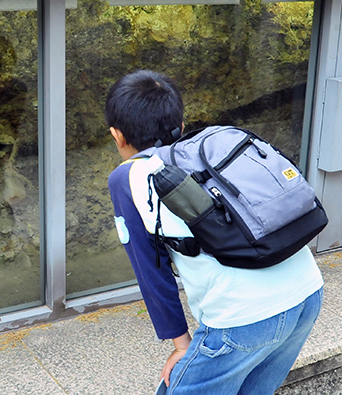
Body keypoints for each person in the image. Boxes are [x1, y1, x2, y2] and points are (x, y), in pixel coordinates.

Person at [105, 69, 324, 394]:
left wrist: (181, 345)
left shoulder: (127, 178)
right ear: (180, 125)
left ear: (117, 136)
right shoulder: (212, 145)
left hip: (243, 318)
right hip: (307, 294)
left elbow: (151, 271)